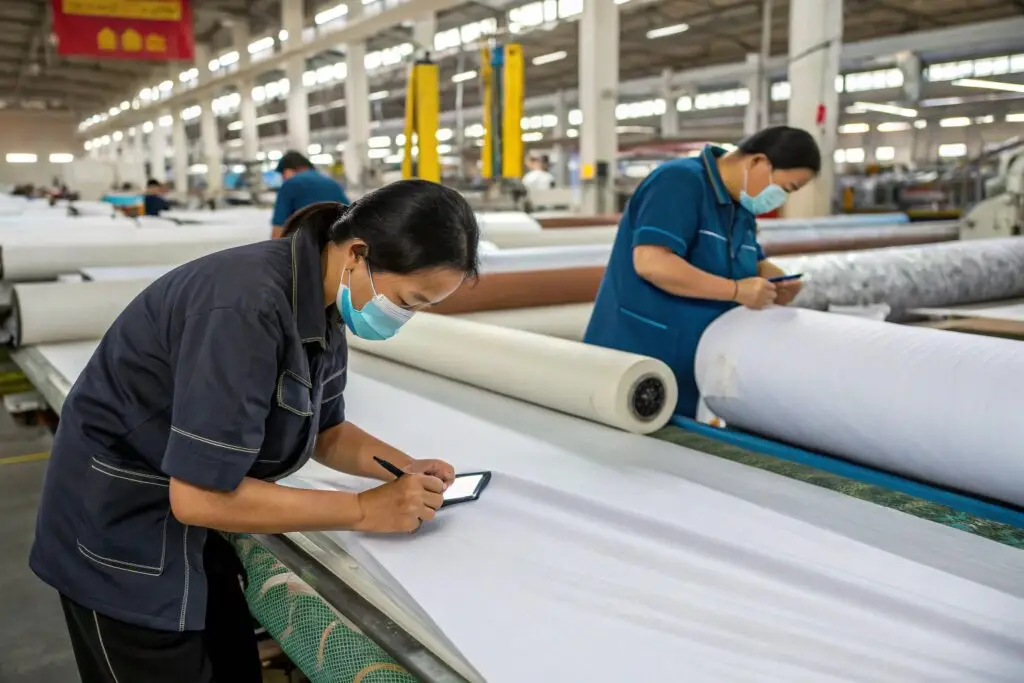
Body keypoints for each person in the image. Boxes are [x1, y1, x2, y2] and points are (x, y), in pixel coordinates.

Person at [30, 179, 480, 683]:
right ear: (358, 252)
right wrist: (363, 509)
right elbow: (199, 497)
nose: (405, 317)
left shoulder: (322, 301)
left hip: (192, 539)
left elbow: (326, 431)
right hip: (121, 534)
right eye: (408, 300)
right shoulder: (246, 308)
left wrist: (404, 466)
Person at [583, 126, 821, 418]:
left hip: (692, 367)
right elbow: (652, 262)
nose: (780, 199)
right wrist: (736, 291)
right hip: (636, 357)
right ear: (758, 162)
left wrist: (777, 279)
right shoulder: (679, 183)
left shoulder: (741, 210)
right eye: (785, 188)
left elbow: (750, 263)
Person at [271, 151, 349, 238]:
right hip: (336, 242)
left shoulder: (289, 184)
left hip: (304, 244)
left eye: (282, 173)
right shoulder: (332, 183)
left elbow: (278, 226)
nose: (282, 178)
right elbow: (351, 212)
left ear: (289, 169)